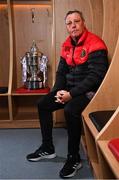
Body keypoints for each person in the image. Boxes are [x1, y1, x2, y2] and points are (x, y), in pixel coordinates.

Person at [26, 10, 109, 178]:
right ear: (67, 27)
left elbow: (95, 77)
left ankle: (74, 158)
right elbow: (61, 72)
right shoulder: (67, 44)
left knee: (70, 110)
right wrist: (58, 91)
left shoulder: (96, 43)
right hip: (71, 91)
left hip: (90, 92)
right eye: (69, 23)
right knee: (43, 104)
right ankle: (47, 148)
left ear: (83, 23)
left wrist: (70, 94)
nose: (73, 25)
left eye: (77, 21)